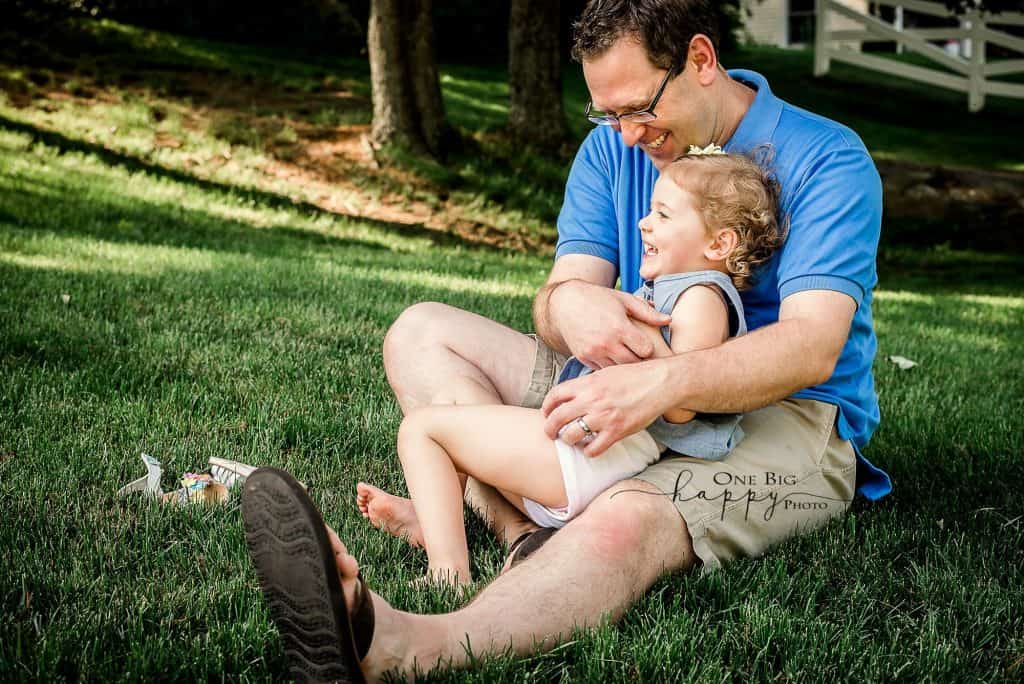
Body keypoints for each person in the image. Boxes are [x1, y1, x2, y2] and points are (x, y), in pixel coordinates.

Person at [241, 1, 894, 681]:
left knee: (623, 519)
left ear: (701, 60)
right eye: (607, 114)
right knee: (421, 333)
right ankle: (523, 534)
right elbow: (556, 300)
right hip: (617, 374)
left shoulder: (828, 157)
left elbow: (811, 346)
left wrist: (661, 383)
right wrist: (570, 305)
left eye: (640, 108)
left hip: (785, 414)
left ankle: (406, 647)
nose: (627, 133)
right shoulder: (614, 145)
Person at [355, 149, 785, 587]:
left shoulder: (702, 298)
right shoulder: (674, 288)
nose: (644, 223)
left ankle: (448, 574)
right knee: (452, 410)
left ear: (719, 243)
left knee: (423, 430)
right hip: (580, 455)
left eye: (663, 215)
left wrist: (644, 336)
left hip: (586, 466)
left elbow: (681, 406)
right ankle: (432, 517)